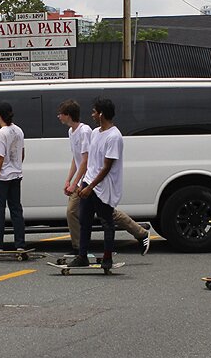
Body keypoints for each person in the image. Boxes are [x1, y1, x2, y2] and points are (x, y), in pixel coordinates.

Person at [57, 100, 150, 256]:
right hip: (87, 180)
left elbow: (92, 162)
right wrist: (70, 180)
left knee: (81, 213)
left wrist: (80, 184)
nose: (58, 117)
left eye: (94, 112)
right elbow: (78, 157)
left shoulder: (89, 132)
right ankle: (139, 232)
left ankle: (82, 249)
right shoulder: (85, 132)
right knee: (100, 214)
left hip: (92, 181)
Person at [64, 98, 123, 270]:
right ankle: (82, 256)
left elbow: (106, 167)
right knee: (84, 221)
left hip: (104, 186)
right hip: (89, 182)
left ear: (102, 114)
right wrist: (83, 183)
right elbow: (90, 162)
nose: (92, 115)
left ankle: (107, 258)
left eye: (94, 112)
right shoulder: (96, 132)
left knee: (106, 222)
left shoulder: (114, 137)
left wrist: (90, 187)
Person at [0, 102, 26, 250]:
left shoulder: (1, 133)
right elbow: (22, 153)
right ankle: (20, 243)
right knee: (16, 210)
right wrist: (16, 167)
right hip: (16, 175)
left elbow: (0, 157)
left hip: (2, 177)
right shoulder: (18, 131)